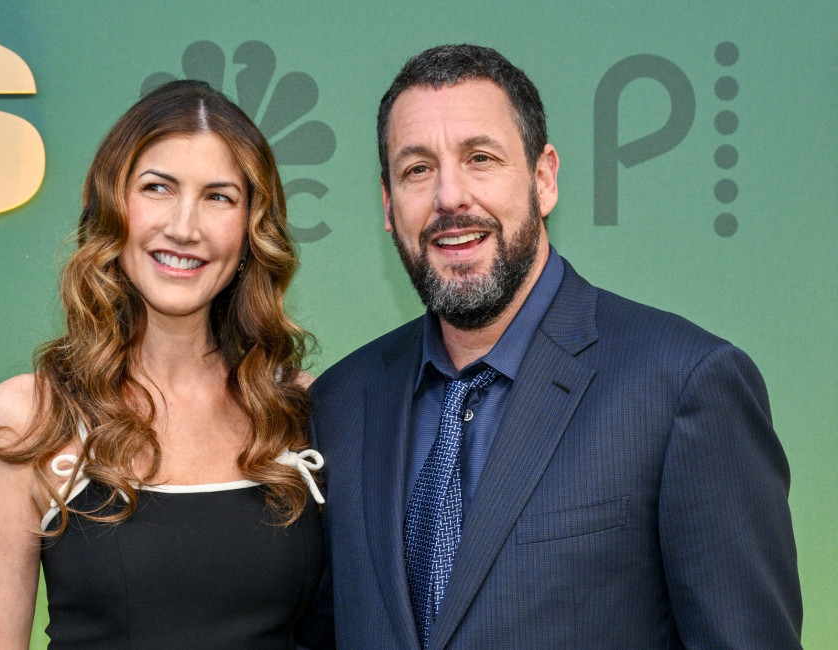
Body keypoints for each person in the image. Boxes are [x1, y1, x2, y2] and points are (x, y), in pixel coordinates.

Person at [309, 44, 801, 648]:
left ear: (543, 180)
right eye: (417, 169)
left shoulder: (684, 387)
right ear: (388, 205)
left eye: (480, 158)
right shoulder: (340, 403)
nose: (449, 197)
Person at [0, 80, 331, 649]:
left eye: (218, 197)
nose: (184, 227)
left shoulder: (303, 409)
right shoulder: (29, 418)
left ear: (251, 228)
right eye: (158, 188)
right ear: (113, 206)